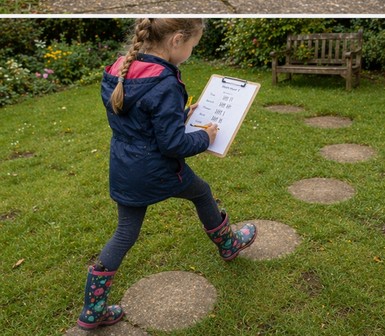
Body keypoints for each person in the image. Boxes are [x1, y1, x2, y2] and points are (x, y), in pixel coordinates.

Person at [76, 18, 256, 330]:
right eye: (192, 45)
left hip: (125, 167)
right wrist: (205, 137)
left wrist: (182, 114)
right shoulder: (164, 82)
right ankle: (228, 244)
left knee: (125, 233)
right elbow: (173, 145)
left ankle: (93, 310)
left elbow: (140, 120)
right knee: (201, 192)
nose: (191, 52)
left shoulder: (120, 66)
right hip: (158, 170)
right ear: (176, 40)